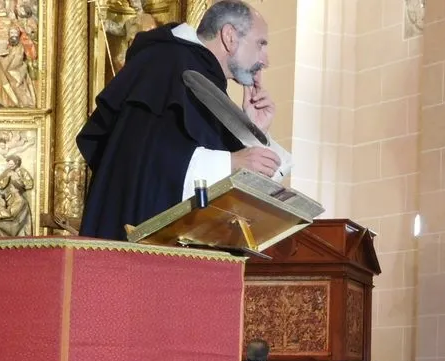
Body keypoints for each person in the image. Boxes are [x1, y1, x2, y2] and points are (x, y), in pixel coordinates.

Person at [77, 0, 292, 240]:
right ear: (230, 37)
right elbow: (146, 160)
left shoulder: (200, 73)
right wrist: (230, 163)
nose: (266, 60)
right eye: (260, 44)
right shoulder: (168, 63)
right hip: (140, 244)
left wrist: (252, 132)